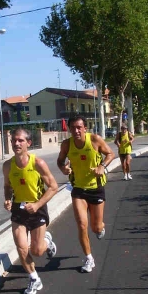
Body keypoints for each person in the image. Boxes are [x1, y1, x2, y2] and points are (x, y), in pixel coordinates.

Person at [3, 128, 58, 294]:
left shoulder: (38, 164)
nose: (16, 143)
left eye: (20, 140)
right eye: (14, 140)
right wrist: (8, 199)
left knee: (37, 251)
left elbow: (54, 187)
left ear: (28, 143)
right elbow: (7, 186)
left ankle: (47, 241)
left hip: (38, 209)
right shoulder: (7, 166)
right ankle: (34, 278)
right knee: (21, 247)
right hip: (19, 209)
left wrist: (37, 204)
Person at [57, 115, 115, 273]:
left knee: (96, 227)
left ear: (84, 128)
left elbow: (110, 154)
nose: (76, 130)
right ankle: (89, 258)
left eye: (79, 127)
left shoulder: (95, 140)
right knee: (82, 225)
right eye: (73, 128)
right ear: (69, 129)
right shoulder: (67, 145)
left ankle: (100, 228)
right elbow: (60, 161)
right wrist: (63, 169)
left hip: (96, 188)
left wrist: (102, 166)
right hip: (78, 189)